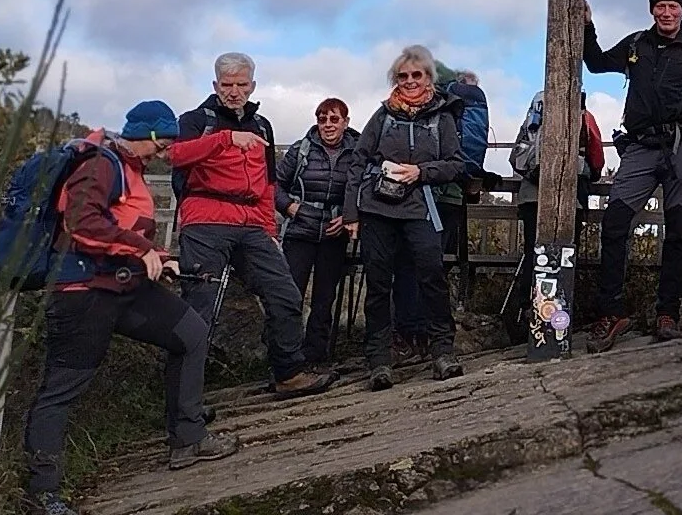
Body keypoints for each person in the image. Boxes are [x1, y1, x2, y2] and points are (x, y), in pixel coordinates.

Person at [24, 102, 240, 515]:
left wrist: (157, 255)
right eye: (165, 145)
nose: (165, 155)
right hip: (82, 295)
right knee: (61, 390)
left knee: (191, 333)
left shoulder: (127, 167)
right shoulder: (102, 163)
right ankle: (43, 498)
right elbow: (82, 222)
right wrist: (140, 249)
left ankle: (188, 437)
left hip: (123, 286)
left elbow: (118, 228)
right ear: (151, 136)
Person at [172, 53, 337, 398]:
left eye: (241, 85)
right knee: (200, 307)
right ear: (215, 85)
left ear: (253, 85)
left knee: (285, 293)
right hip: (205, 219)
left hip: (251, 223)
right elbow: (175, 156)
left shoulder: (262, 126)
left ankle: (289, 373)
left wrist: (269, 231)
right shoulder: (193, 120)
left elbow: (268, 185)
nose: (234, 92)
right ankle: (185, 399)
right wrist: (226, 139)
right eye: (227, 85)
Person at [582, 0, 682, 352]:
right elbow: (597, 63)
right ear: (652, 9)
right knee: (615, 223)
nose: (667, 13)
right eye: (660, 7)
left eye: (673, 7)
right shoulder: (637, 45)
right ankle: (612, 312)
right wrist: (586, 27)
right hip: (640, 147)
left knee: (679, 230)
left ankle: (669, 311)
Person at [345, 45, 468, 389]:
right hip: (377, 209)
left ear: (429, 78)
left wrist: (421, 172)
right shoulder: (383, 116)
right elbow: (358, 161)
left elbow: (456, 164)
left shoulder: (442, 117)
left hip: (420, 208)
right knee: (378, 284)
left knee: (432, 278)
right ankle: (379, 361)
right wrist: (351, 213)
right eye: (403, 76)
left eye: (417, 75)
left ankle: (443, 352)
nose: (410, 81)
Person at [508, 90, 606, 334]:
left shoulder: (533, 119)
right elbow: (596, 162)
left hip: (532, 196)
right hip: (572, 197)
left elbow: (516, 157)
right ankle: (559, 321)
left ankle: (527, 317)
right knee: (564, 257)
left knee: (534, 254)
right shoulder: (585, 117)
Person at [276, 97, 358, 364]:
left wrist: (349, 217)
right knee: (290, 295)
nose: (328, 125)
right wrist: (289, 207)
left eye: (334, 119)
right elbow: (273, 185)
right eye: (322, 119)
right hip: (299, 231)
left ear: (345, 122)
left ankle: (316, 355)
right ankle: (285, 356)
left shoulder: (358, 154)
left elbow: (364, 188)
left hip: (335, 234)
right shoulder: (300, 150)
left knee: (325, 298)